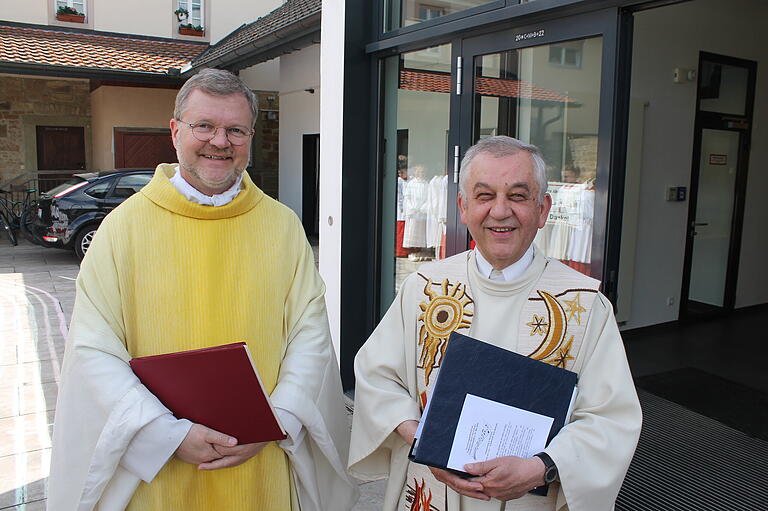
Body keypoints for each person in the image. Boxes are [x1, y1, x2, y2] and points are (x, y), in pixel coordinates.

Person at [48, 69, 357, 511]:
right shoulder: (123, 228)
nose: (219, 141)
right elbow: (93, 349)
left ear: (250, 136)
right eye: (204, 126)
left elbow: (310, 335)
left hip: (259, 458)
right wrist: (165, 433)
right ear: (175, 131)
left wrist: (276, 420)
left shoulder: (282, 226)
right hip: (162, 468)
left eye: (235, 129)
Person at [349, 136, 642, 511]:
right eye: (485, 195)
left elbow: (610, 419)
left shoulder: (585, 304)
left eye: (518, 196)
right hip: (432, 491)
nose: (500, 211)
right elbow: (377, 377)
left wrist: (542, 467)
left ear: (543, 209)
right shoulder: (425, 288)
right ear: (463, 207)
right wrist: (422, 438)